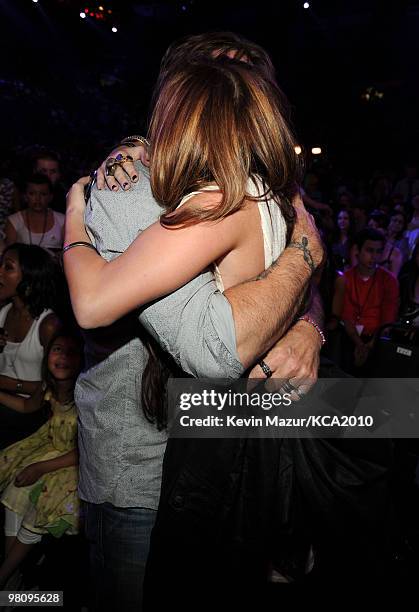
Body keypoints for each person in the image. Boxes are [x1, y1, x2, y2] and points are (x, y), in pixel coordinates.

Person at [65, 33, 324, 612]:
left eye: (246, 89)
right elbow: (224, 333)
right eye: (215, 83)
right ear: (176, 98)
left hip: (219, 458)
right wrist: (306, 256)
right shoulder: (133, 182)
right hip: (140, 463)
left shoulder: (245, 196)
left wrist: (309, 323)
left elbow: (226, 334)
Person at [0, 331, 82, 589]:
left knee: (44, 501)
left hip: (73, 462)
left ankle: (5, 577)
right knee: (16, 489)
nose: (63, 357)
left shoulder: (85, 393)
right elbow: (26, 407)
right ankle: (12, 580)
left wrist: (41, 467)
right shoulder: (50, 387)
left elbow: (84, 450)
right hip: (50, 448)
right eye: (57, 349)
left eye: (71, 352)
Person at [0, 243, 61, 449]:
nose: (0, 272)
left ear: (28, 279)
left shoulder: (47, 325)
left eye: (7, 267)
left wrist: (8, 384)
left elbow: (56, 388)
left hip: (31, 411)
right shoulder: (3, 313)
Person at [332, 228, 399, 372]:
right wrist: (360, 345)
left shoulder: (389, 281)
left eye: (378, 251)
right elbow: (346, 316)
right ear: (358, 250)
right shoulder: (346, 278)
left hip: (377, 341)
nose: (374, 256)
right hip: (350, 338)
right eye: (370, 250)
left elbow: (388, 318)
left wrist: (369, 346)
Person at [4, 174, 65, 259]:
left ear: (50, 197)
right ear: (25, 196)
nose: (38, 198)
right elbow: (9, 254)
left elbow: (71, 251)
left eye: (43, 194)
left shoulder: (62, 220)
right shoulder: (14, 221)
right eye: (32, 194)